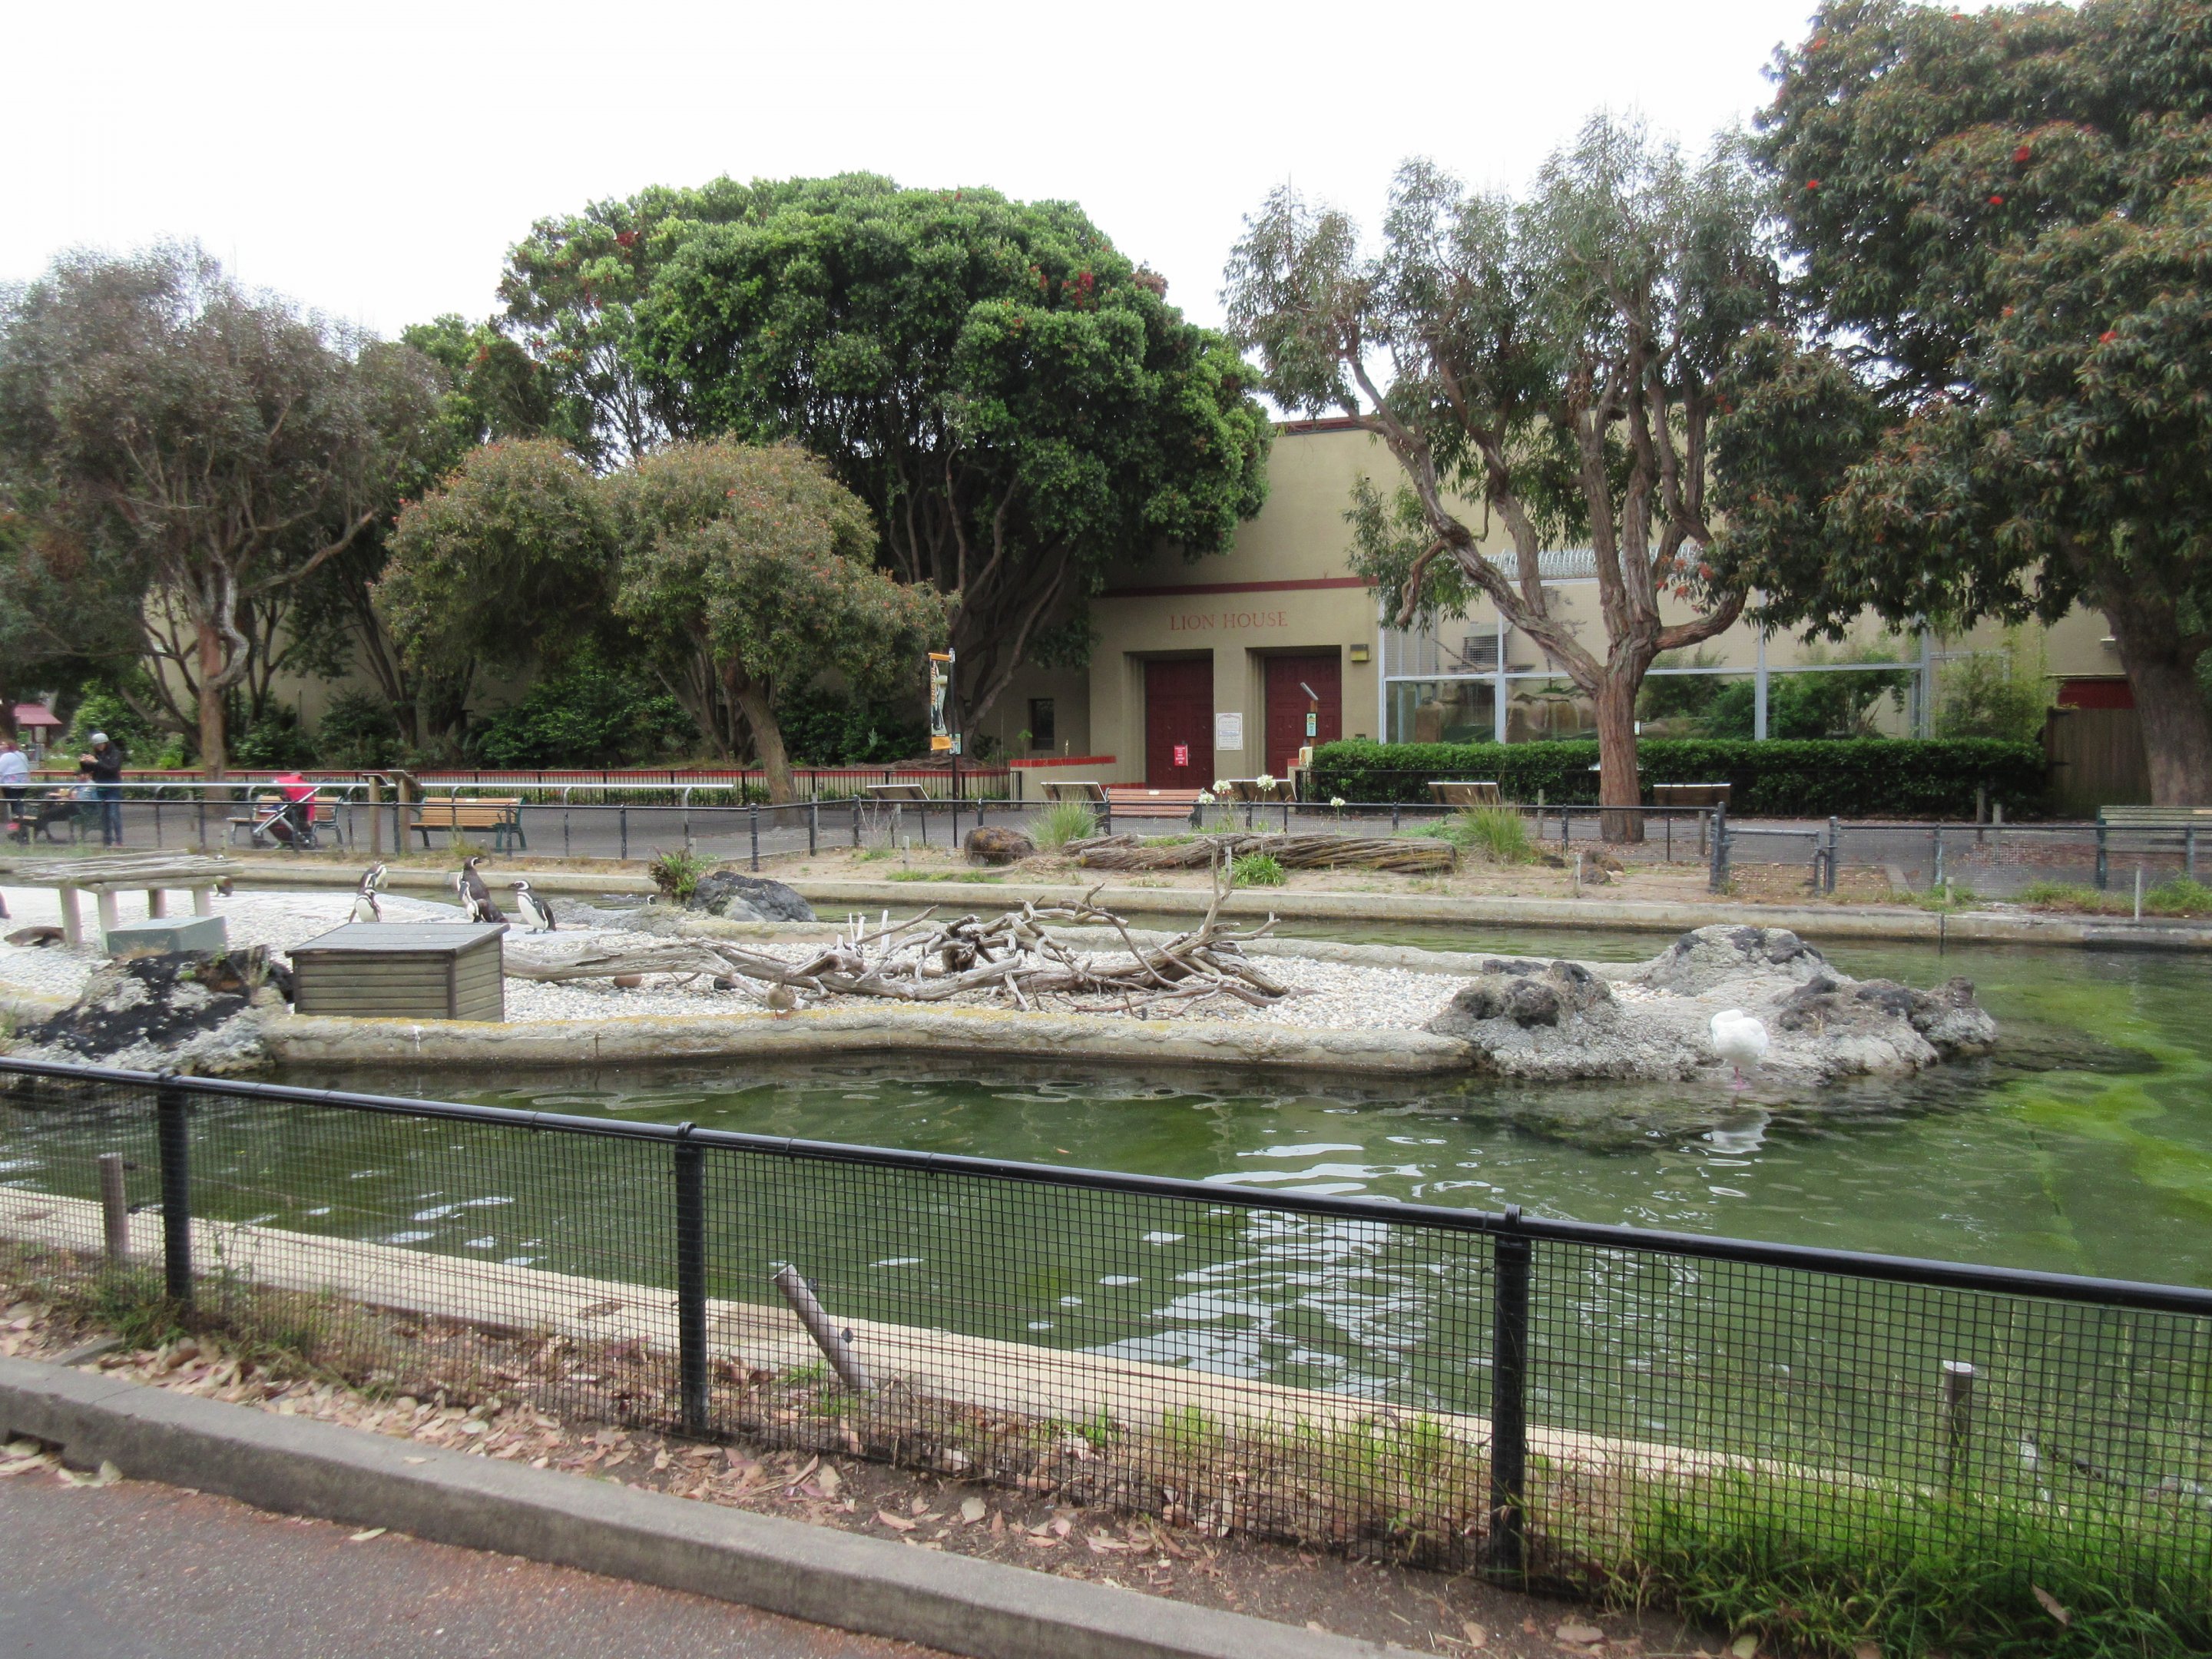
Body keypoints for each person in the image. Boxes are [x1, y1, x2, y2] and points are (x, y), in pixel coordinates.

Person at [79, 731, 124, 846]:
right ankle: (107, 841)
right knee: (104, 816)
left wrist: (97, 762)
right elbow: (88, 770)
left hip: (113, 788)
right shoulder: (96, 755)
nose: (99, 747)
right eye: (97, 745)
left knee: (114, 814)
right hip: (100, 788)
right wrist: (84, 763)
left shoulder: (115, 754)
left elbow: (113, 769)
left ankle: (119, 840)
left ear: (106, 743)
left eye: (100, 744)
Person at [0, 737, 28, 843]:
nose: (1, 746)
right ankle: (20, 826)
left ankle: (18, 828)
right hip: (23, 783)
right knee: (19, 804)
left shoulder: (6, 756)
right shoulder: (22, 755)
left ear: (8, 746)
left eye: (3, 744)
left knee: (14, 806)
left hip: (10, 784)